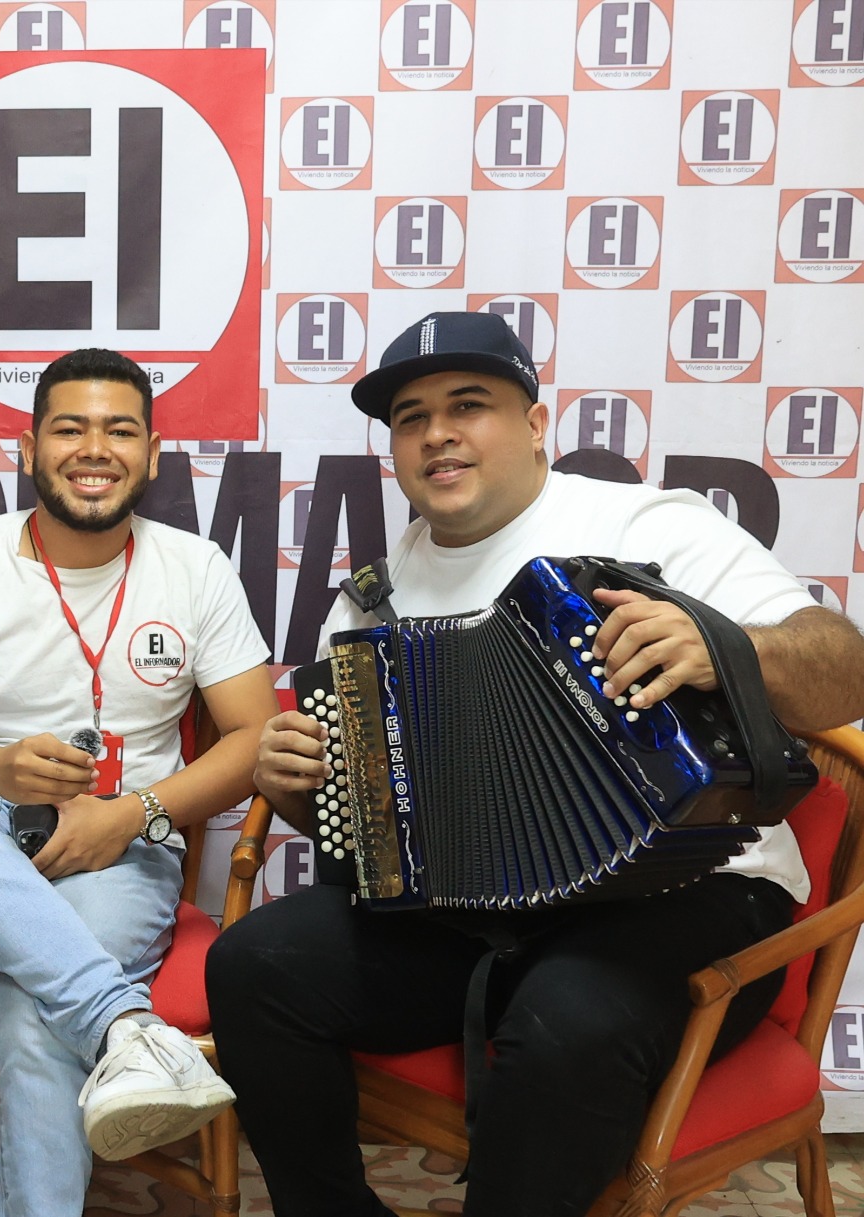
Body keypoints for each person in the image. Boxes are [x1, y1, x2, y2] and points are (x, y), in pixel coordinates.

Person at [205, 310, 864, 1217]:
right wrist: (295, 786)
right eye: (410, 416)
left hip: (690, 892)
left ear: (537, 423)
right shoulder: (374, 596)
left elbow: (845, 667)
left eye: (468, 403)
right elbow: (368, 829)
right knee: (255, 963)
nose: (437, 431)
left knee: (566, 1017)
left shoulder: (648, 526)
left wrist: (724, 644)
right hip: (472, 906)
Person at [0, 348, 277, 1217]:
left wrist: (133, 815)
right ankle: (127, 1026)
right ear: (27, 446)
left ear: (154, 453)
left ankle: (94, 1027)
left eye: (120, 429)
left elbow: (253, 736)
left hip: (124, 856)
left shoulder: (194, 567)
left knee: (32, 1015)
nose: (96, 449)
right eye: (70, 428)